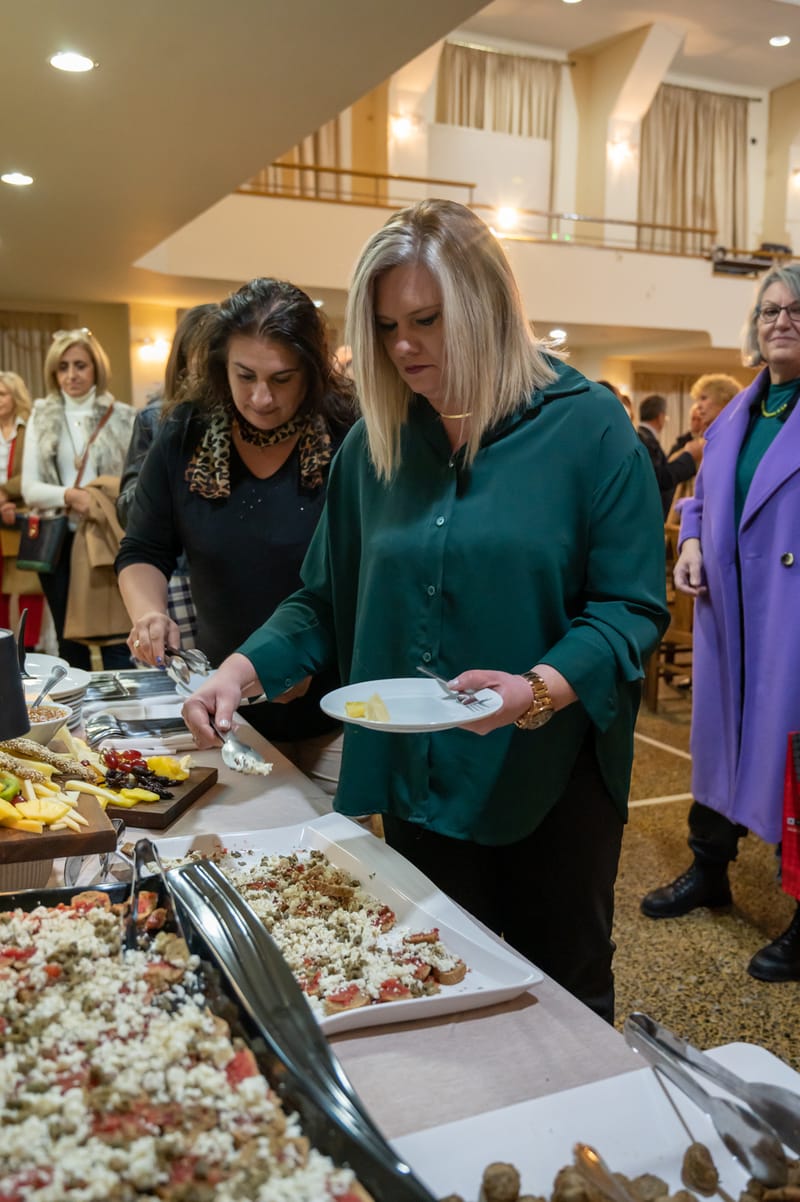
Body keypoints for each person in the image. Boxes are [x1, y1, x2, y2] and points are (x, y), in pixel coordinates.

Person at [181, 200, 669, 1022]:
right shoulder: (376, 445)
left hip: (546, 776)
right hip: (413, 775)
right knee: (433, 973)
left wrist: (537, 688)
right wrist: (239, 668)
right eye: (384, 326)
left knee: (561, 991)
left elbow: (629, 607)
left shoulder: (587, 429)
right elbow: (325, 598)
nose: (402, 346)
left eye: (427, 320)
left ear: (487, 306)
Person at [116, 278, 356, 796]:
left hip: (337, 711)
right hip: (227, 710)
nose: (260, 398)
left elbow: (368, 575)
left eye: (281, 378)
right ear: (220, 365)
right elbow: (143, 549)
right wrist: (148, 614)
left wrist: (297, 660)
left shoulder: (349, 435)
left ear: (312, 374)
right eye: (244, 375)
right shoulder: (185, 431)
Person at [641, 263, 800, 982]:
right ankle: (710, 870)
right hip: (731, 608)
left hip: (788, 613)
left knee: (792, 754)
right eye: (769, 311)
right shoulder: (740, 410)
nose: (780, 322)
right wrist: (696, 539)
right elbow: (702, 497)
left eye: (796, 310)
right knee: (721, 738)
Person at [21, 329, 134, 669]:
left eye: (80, 365)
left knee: (117, 635)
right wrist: (71, 496)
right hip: (60, 540)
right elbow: (30, 488)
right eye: (63, 367)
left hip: (107, 536)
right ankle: (76, 716)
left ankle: (121, 715)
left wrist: (99, 501)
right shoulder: (42, 415)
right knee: (70, 640)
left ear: (96, 368)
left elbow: (132, 483)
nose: (71, 375)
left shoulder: (123, 416)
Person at [117, 303, 218, 649]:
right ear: (184, 359)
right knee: (179, 683)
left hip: (218, 572)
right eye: (202, 356)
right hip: (172, 576)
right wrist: (168, 467)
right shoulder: (153, 419)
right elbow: (128, 511)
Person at [0, 371, 45, 644]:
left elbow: (33, 472)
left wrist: (4, 493)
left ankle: (30, 647)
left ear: (16, 397)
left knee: (29, 588)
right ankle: (2, 646)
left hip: (21, 515)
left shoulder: (29, 428)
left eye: (2, 394)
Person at [637, 393, 704, 519]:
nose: (697, 424)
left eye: (699, 419)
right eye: (693, 419)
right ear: (660, 417)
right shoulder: (645, 439)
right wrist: (689, 456)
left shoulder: (640, 437)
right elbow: (658, 478)